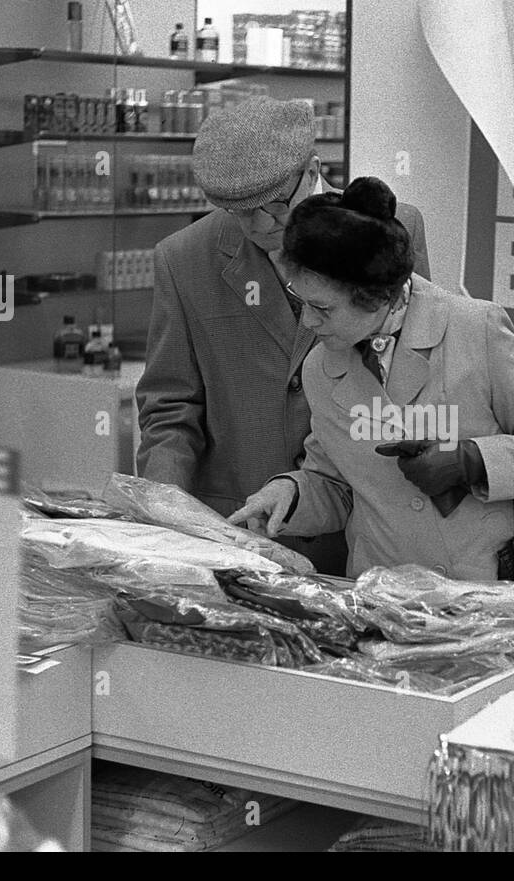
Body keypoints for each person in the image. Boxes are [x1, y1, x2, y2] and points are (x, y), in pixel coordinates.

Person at [228, 177, 514, 581]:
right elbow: (337, 483)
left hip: (488, 594)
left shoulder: (474, 329)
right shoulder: (321, 368)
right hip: (385, 598)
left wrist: (473, 461)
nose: (308, 322)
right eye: (301, 303)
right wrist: (290, 495)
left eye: (323, 309)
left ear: (377, 295)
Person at [135, 97, 429, 576]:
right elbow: (170, 407)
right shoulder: (183, 258)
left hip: (363, 528)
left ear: (312, 169)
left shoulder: (394, 228)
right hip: (238, 531)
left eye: (276, 206)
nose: (260, 226)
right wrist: (161, 514)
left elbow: (415, 369)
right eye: (238, 212)